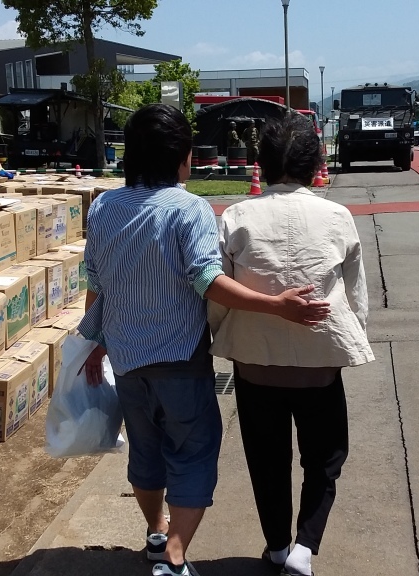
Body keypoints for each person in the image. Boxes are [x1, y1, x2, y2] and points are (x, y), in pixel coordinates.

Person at [78, 104, 331, 576]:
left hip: (127, 359)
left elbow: (95, 280)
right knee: (194, 451)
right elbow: (207, 281)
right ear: (181, 156)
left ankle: (156, 534)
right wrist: (277, 305)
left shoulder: (105, 206)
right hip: (179, 358)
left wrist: (95, 339)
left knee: (146, 450)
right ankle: (174, 557)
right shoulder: (188, 208)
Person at [209, 113, 375, 576]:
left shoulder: (237, 216)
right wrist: (351, 338)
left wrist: (221, 335)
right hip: (319, 361)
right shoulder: (337, 216)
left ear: (261, 161)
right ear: (314, 162)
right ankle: (305, 547)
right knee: (325, 455)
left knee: (267, 458)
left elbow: (220, 291)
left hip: (254, 361)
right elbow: (356, 297)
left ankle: (278, 545)